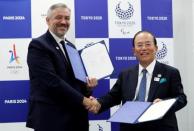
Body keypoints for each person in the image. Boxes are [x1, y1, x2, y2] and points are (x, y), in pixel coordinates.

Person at [90, 31, 187, 131]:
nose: (144, 48)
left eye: (148, 44)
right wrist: (98, 103)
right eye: (139, 45)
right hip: (130, 127)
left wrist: (164, 104)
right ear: (134, 51)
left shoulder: (170, 72)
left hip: (160, 127)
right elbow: (113, 96)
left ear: (156, 48)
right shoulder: (126, 74)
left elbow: (181, 98)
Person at [26, 3, 97, 131]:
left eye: (67, 18)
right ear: (48, 20)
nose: (63, 22)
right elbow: (52, 81)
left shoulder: (71, 47)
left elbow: (75, 81)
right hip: (51, 120)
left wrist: (87, 89)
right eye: (58, 17)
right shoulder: (38, 45)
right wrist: (84, 100)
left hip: (76, 119)